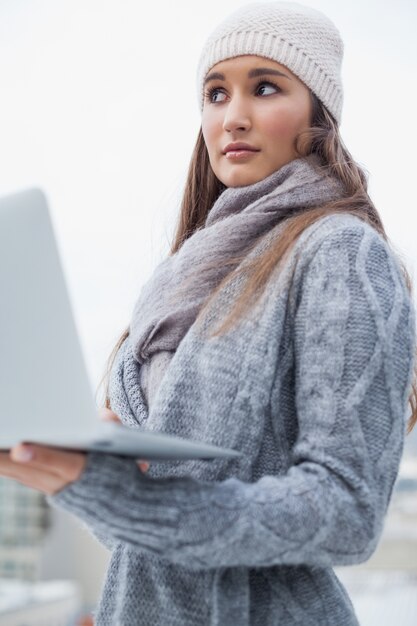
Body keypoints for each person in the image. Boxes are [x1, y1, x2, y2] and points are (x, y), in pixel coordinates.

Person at [0, 2, 416, 624]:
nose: (233, 116)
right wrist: (89, 475)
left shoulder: (340, 252)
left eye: (265, 87)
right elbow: (151, 542)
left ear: (318, 116)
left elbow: (346, 514)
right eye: (215, 93)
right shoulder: (175, 282)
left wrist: (119, 493)